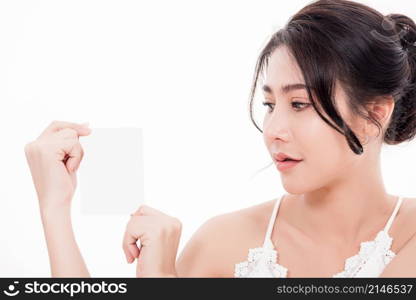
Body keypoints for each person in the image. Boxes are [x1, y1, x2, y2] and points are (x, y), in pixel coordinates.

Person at [25, 0, 416, 278]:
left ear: (374, 115)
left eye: (298, 104)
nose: (274, 130)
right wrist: (55, 211)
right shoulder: (223, 242)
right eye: (269, 104)